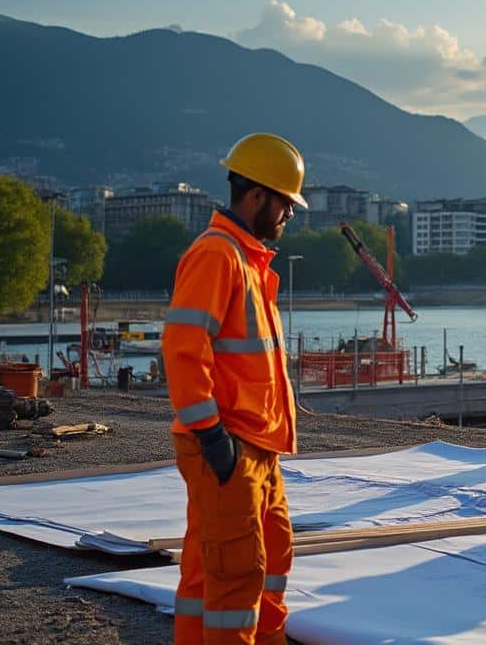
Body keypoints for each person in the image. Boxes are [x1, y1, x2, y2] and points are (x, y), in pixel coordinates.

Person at [161, 132, 308, 644]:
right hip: (228, 444)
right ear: (257, 195)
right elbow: (183, 349)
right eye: (286, 203)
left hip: (256, 445)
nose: (289, 214)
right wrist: (210, 435)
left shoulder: (247, 259)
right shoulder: (217, 255)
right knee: (236, 576)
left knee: (257, 562)